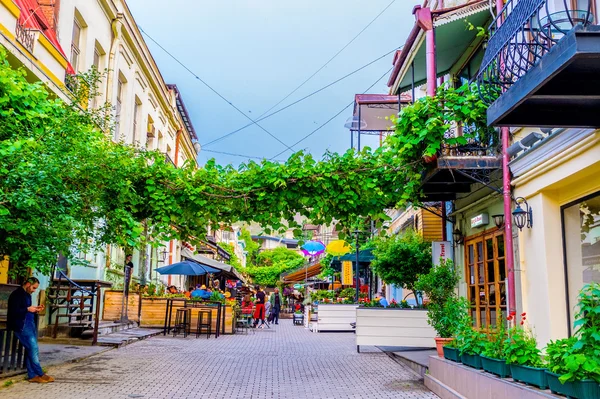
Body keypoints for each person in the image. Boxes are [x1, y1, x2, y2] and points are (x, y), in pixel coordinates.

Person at [8, 277, 54, 383]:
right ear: (28, 284)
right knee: (33, 349)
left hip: (29, 323)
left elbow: (26, 309)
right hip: (21, 325)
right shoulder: (16, 295)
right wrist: (28, 309)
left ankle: (32, 375)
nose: (34, 290)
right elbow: (14, 311)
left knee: (31, 349)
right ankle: (39, 373)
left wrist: (35, 309)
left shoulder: (27, 294)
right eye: (33, 288)